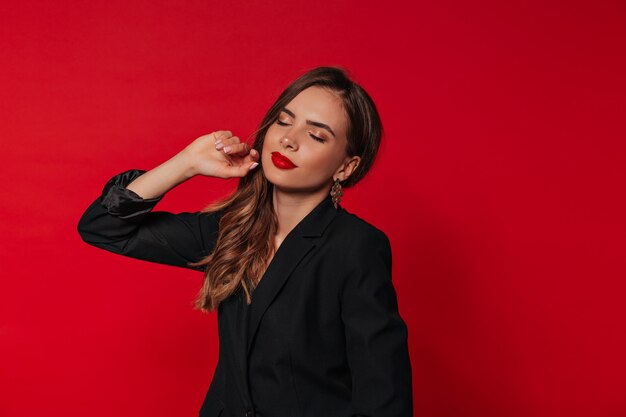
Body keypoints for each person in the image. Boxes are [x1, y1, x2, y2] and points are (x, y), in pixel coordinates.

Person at [77, 66, 413, 417]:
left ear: (346, 167)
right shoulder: (230, 230)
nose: (288, 139)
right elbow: (101, 226)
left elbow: (384, 396)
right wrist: (186, 163)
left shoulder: (356, 247)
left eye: (316, 135)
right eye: (283, 121)